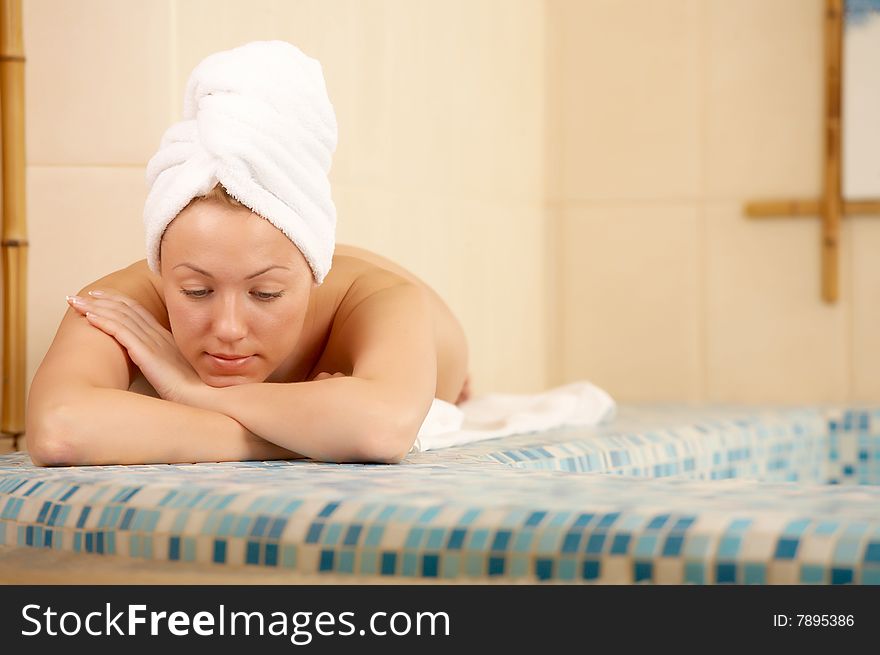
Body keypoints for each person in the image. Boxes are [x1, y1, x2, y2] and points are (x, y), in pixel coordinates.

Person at [25, 41, 469, 467]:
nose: (229, 329)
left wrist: (194, 391)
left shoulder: (378, 295)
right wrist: (308, 434)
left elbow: (380, 431)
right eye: (197, 291)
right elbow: (60, 429)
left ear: (313, 271)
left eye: (267, 294)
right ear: (161, 269)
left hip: (441, 355)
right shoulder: (125, 304)